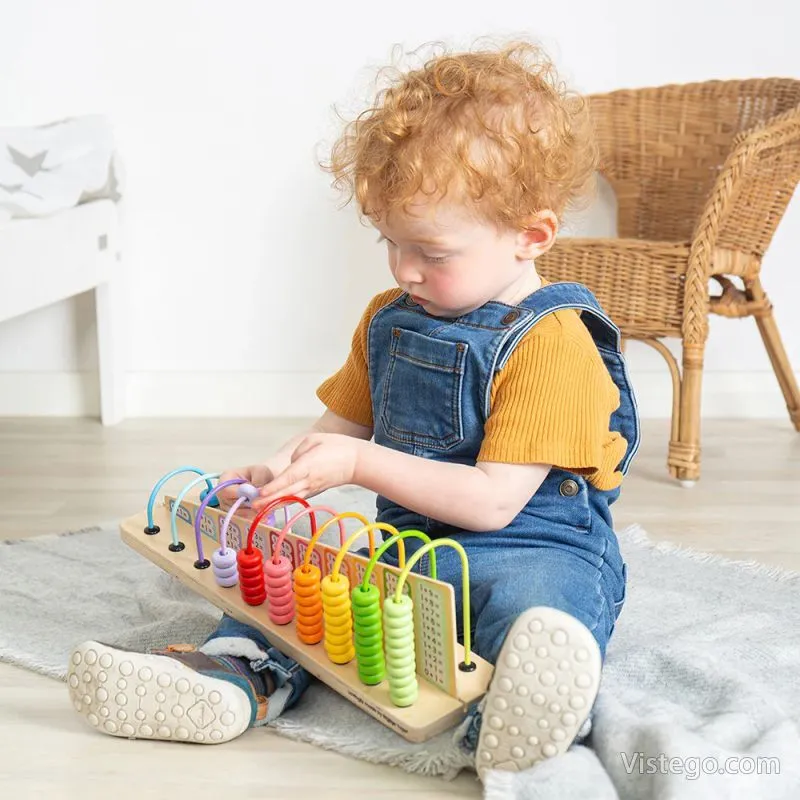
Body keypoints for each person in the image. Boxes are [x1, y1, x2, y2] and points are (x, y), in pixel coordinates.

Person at [68, 39, 638, 780]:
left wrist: (360, 464)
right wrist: (277, 473)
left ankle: (524, 716)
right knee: (312, 595)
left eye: (432, 252)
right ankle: (229, 676)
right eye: (391, 242)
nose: (406, 270)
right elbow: (340, 429)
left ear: (532, 236)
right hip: (410, 548)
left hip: (532, 546)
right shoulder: (389, 319)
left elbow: (494, 502)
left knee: (539, 613)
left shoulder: (553, 344)